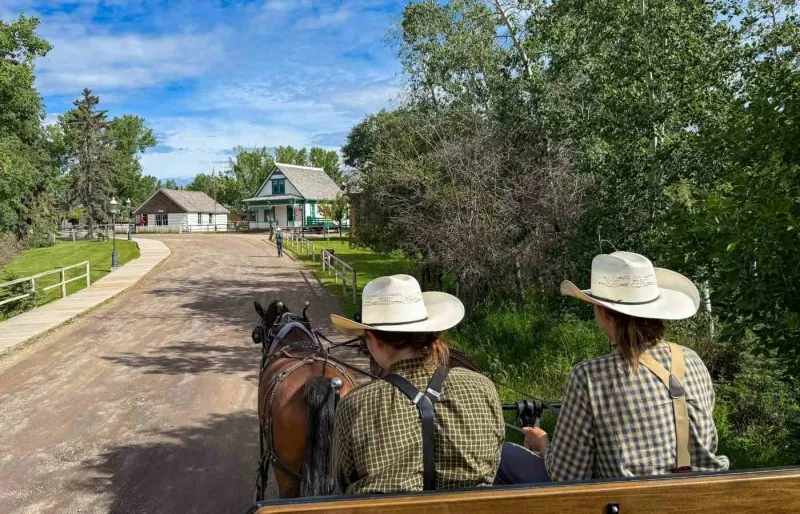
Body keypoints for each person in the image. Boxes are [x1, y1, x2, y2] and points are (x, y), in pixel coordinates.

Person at [498, 251, 729, 483]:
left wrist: (544, 446)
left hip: (626, 500)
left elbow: (568, 476)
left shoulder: (588, 376)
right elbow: (707, 443)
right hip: (705, 494)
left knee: (506, 455)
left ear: (603, 313)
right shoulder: (691, 359)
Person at [331, 275, 505, 495]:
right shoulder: (482, 387)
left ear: (373, 341)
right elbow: (494, 462)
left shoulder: (355, 405)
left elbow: (343, 479)